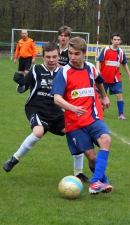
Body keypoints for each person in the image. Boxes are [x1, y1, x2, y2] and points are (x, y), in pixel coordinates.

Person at [3, 42, 90, 183]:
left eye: (54, 57)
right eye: (48, 57)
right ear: (42, 57)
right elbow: (21, 90)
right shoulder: (36, 69)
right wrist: (20, 83)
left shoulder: (64, 72)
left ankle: (78, 173)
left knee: (75, 133)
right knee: (38, 132)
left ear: (59, 56)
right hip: (36, 108)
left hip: (56, 111)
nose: (51, 60)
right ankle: (14, 159)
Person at [51, 37, 113, 194]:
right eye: (70, 53)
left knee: (106, 139)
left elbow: (99, 80)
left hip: (93, 117)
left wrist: (104, 96)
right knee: (92, 157)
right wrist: (73, 108)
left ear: (85, 53)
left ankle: (94, 183)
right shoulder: (64, 72)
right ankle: (102, 181)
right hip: (74, 123)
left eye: (77, 54)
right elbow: (56, 98)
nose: (72, 57)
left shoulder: (91, 68)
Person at [57, 25, 87, 181]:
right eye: (61, 35)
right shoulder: (55, 51)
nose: (63, 37)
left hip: (70, 99)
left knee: (77, 134)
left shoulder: (73, 55)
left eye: (65, 35)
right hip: (56, 98)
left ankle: (79, 172)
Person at [96, 32, 130, 120]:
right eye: (115, 39)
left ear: (120, 41)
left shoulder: (121, 52)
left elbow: (125, 64)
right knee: (98, 95)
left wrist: (129, 74)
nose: (116, 41)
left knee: (119, 94)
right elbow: (98, 61)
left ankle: (121, 114)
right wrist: (98, 70)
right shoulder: (106, 49)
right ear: (111, 40)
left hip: (116, 78)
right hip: (103, 78)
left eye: (118, 40)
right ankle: (98, 112)